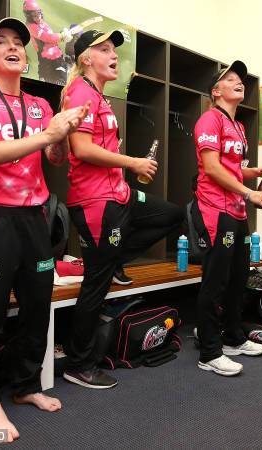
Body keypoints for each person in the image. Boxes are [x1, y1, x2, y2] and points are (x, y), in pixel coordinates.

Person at [0, 17, 88, 442]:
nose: (12, 47)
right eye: (1, 42)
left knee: (36, 307)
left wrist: (63, 131)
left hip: (35, 218)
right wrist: (50, 131)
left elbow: (56, 159)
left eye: (18, 42)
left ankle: (26, 386)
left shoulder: (40, 106)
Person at [61, 30, 184, 388]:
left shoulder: (98, 95)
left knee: (171, 214)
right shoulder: (80, 92)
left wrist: (124, 171)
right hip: (96, 201)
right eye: (105, 49)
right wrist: (131, 161)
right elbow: (81, 149)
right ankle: (79, 363)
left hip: (119, 195)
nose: (113, 55)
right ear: (86, 58)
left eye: (114, 49)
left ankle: (115, 259)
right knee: (95, 287)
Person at [192, 61, 262, 376]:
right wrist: (250, 193)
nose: (239, 82)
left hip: (236, 211)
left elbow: (233, 169)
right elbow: (211, 168)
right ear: (216, 91)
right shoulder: (209, 119)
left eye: (241, 79)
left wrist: (256, 173)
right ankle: (209, 351)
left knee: (239, 277)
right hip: (215, 210)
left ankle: (233, 338)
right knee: (216, 281)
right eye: (231, 79)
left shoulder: (237, 125)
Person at [23, 0, 72, 85]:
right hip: (46, 61)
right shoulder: (31, 27)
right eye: (34, 15)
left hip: (58, 58)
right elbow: (48, 38)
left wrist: (62, 36)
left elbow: (53, 41)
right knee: (48, 83)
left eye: (39, 13)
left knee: (62, 82)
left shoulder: (44, 24)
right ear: (28, 16)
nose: (38, 17)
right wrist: (62, 35)